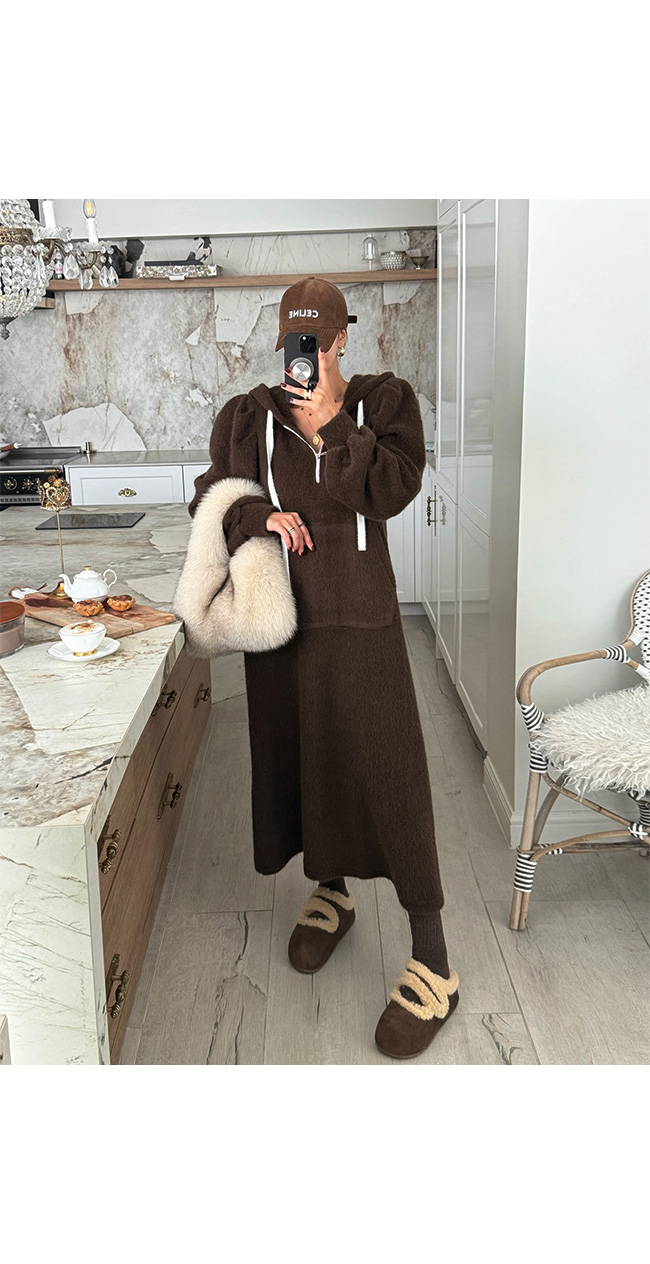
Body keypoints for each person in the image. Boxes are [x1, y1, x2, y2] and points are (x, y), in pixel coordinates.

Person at [188, 276, 459, 1058]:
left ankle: (433, 956)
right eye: (292, 342)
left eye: (317, 341)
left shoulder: (384, 403)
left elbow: (393, 490)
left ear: (342, 338)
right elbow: (213, 497)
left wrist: (333, 424)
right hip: (283, 622)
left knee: (389, 772)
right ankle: (331, 892)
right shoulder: (248, 415)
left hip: (363, 621)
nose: (303, 356)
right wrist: (259, 515)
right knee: (305, 760)